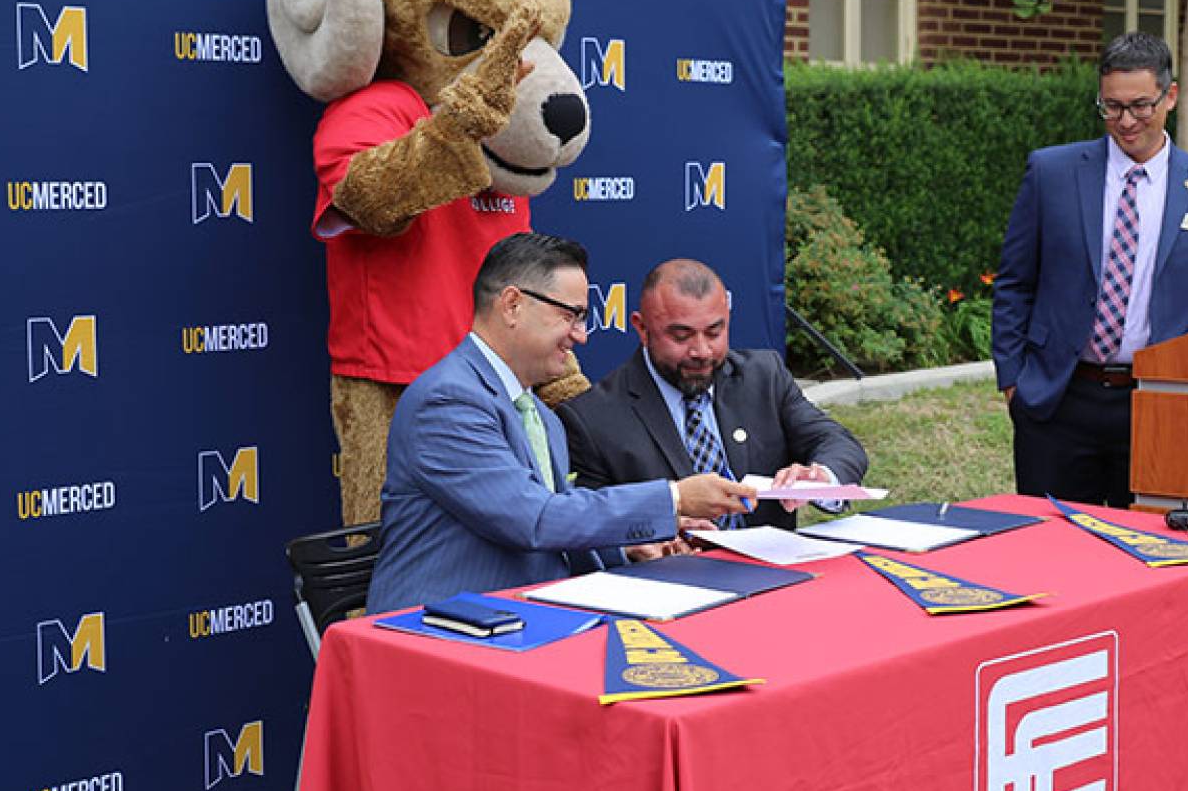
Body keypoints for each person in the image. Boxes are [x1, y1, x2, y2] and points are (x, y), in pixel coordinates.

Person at [366, 234, 756, 613]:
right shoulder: (448, 402)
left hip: (525, 623)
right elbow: (534, 520)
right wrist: (674, 499)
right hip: (437, 634)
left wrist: (627, 548)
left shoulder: (542, 416)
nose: (581, 336)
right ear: (512, 305)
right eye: (569, 316)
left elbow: (556, 525)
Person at [992, 31, 1188, 508]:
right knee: (1057, 557)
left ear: (1170, 96)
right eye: (1111, 107)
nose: (1125, 121)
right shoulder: (1051, 173)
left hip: (1160, 407)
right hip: (1059, 402)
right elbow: (1014, 282)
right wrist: (1013, 382)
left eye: (1140, 106)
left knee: (1151, 558)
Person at [558, 258, 868, 530]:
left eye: (714, 332)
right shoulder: (594, 417)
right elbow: (590, 523)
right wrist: (656, 529)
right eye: (681, 336)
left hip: (775, 577)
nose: (702, 351)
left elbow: (837, 443)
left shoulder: (763, 376)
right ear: (642, 328)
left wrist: (820, 477)